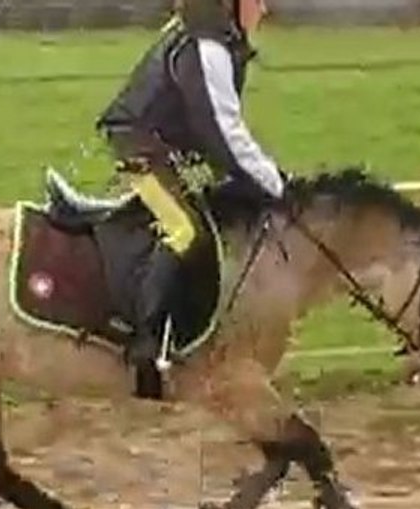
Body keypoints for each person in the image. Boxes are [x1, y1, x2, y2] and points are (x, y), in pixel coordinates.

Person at [94, 0, 286, 372]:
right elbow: (224, 131)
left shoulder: (209, 36)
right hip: (142, 149)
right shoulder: (208, 47)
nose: (263, 10)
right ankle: (146, 341)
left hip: (160, 148)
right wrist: (275, 183)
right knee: (184, 231)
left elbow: (213, 132)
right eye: (256, 1)